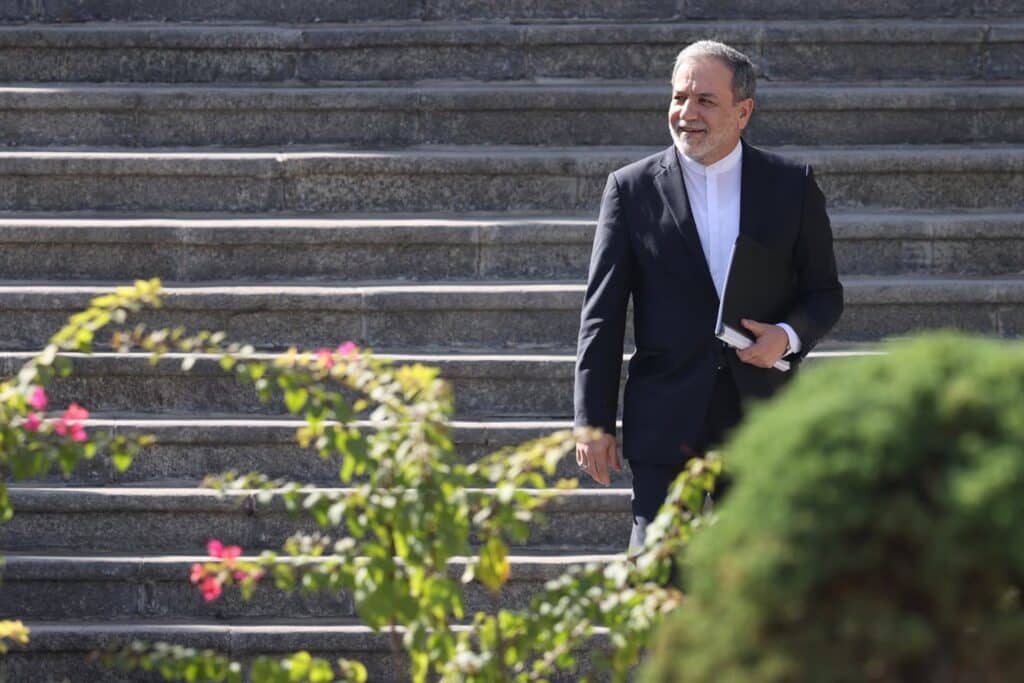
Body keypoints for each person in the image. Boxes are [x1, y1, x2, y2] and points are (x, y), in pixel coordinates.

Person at [573, 40, 844, 549]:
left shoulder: (791, 185)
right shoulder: (631, 189)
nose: (687, 113)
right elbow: (601, 316)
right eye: (679, 98)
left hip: (761, 417)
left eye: (705, 101)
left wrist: (786, 337)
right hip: (665, 415)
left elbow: (824, 293)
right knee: (657, 572)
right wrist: (593, 421)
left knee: (756, 573)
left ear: (743, 112)